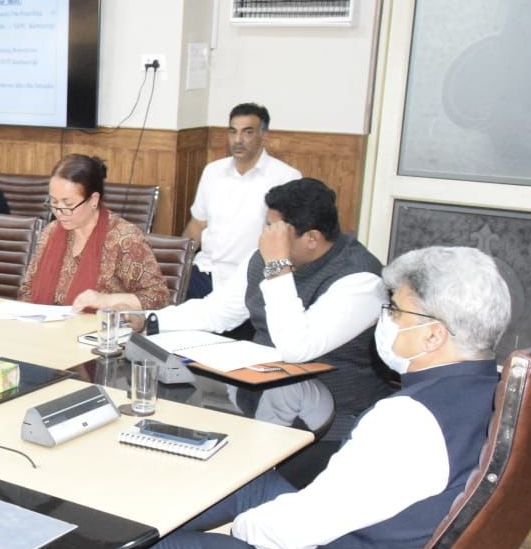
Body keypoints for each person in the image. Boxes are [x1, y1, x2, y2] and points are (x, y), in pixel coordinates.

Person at [119, 246, 511, 549]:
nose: (386, 318)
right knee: (249, 485)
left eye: (396, 310)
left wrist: (237, 531)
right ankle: (147, 525)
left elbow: (296, 531)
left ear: (434, 335)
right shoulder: (495, 394)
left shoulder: (408, 420)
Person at [135, 178, 392, 476]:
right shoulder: (265, 258)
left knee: (229, 478)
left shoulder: (361, 280)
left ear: (311, 238)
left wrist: (278, 267)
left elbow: (296, 348)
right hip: (258, 400)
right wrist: (150, 319)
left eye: (275, 229)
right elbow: (219, 312)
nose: (265, 237)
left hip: (329, 424)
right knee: (170, 446)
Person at [17, 154, 169, 311]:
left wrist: (106, 300)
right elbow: (27, 290)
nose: (59, 212)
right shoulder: (50, 232)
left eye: (68, 204)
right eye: (54, 202)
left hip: (97, 326)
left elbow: (158, 297)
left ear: (94, 200)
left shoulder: (124, 239)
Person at [182, 102, 301, 299]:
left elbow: (289, 238)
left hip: (253, 278)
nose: (238, 140)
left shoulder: (285, 177)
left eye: (247, 132)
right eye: (233, 131)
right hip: (205, 271)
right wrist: (179, 265)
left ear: (264, 135)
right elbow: (197, 224)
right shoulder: (213, 171)